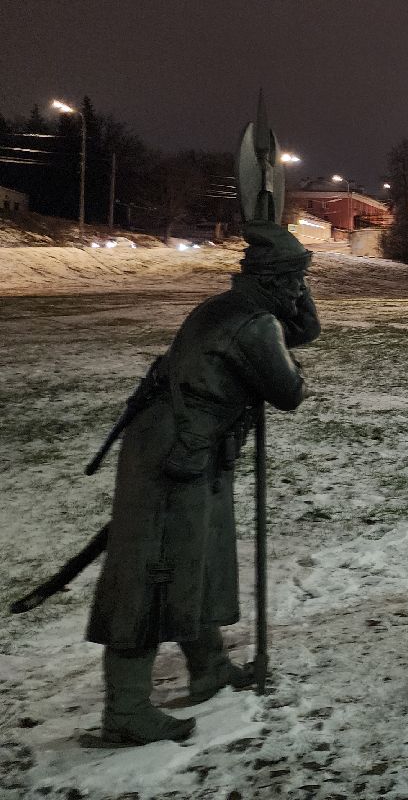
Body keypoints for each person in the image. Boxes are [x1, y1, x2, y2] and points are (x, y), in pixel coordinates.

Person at [85, 222, 320, 744]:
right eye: (298, 278)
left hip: (193, 447)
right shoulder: (252, 325)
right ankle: (125, 710)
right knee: (153, 570)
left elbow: (301, 333)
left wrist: (299, 295)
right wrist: (296, 299)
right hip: (175, 453)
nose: (301, 287)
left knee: (202, 558)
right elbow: (290, 391)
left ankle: (210, 665)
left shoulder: (229, 307)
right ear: (278, 279)